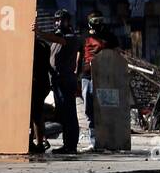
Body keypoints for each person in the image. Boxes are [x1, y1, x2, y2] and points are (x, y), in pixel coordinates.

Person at [80, 10, 120, 145]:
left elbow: (117, 54)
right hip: (87, 75)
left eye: (101, 21)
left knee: (105, 108)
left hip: (105, 75)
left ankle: (108, 140)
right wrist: (76, 73)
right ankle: (94, 141)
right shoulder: (84, 36)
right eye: (95, 22)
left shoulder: (109, 37)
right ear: (90, 23)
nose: (99, 24)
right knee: (89, 108)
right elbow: (79, 55)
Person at [45, 10, 83, 153]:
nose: (57, 23)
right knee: (63, 114)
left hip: (66, 81)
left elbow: (59, 40)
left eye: (60, 20)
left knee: (70, 114)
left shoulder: (70, 37)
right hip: (58, 81)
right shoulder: (57, 38)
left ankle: (71, 146)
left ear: (67, 21)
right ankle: (67, 145)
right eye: (55, 20)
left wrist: (38, 32)